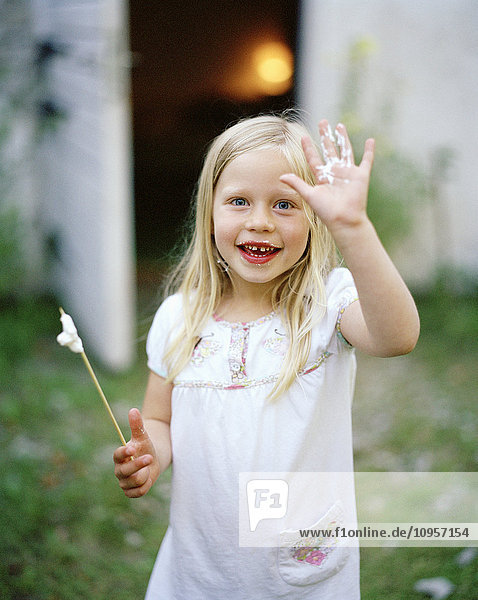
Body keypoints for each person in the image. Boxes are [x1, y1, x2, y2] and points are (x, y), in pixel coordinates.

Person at [113, 113, 420, 599]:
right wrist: (151, 452)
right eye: (239, 201)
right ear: (209, 210)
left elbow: (398, 336)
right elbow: (158, 418)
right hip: (199, 570)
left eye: (284, 204)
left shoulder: (326, 305)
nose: (260, 221)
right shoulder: (179, 318)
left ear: (316, 218)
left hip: (299, 575)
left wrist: (354, 229)